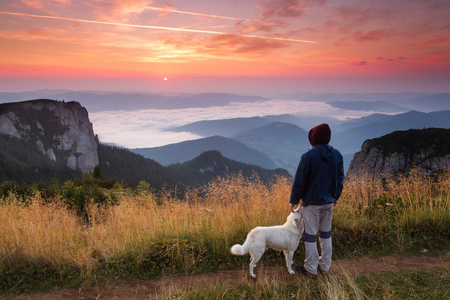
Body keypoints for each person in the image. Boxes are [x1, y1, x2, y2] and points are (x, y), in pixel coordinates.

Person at [289, 123, 344, 278]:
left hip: (312, 203)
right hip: (329, 202)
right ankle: (325, 266)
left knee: (310, 235)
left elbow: (300, 181)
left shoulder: (308, 157)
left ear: (314, 138)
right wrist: (336, 196)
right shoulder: (337, 155)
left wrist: (293, 200)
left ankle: (311, 269)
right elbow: (340, 179)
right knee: (326, 234)